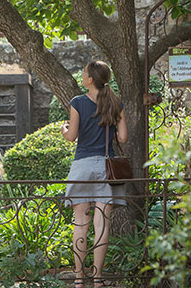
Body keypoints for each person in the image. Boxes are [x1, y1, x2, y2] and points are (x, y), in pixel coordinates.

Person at [61, 61, 128, 288]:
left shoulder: (78, 102)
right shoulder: (115, 102)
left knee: (81, 223)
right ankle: (98, 279)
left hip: (82, 167)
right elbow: (123, 138)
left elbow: (71, 137)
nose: (82, 75)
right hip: (106, 168)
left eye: (84, 72)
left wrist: (63, 130)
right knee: (102, 225)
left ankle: (79, 279)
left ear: (90, 79)